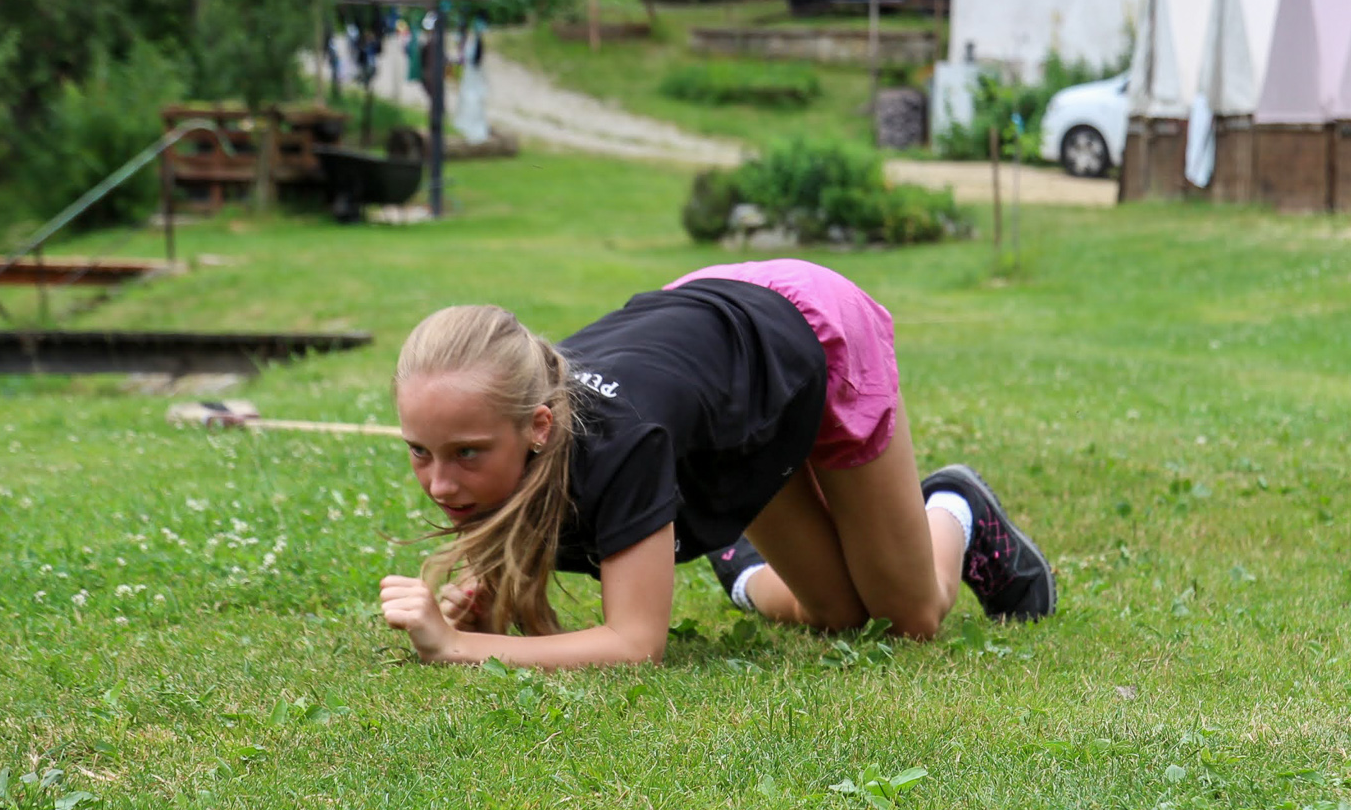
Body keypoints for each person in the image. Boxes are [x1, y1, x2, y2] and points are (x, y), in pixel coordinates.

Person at [377, 259, 1055, 667]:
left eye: (467, 453)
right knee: (841, 618)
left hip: (808, 330)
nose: (440, 483)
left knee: (910, 619)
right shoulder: (515, 418)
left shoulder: (621, 442)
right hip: (716, 375)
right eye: (419, 451)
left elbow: (635, 646)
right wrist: (484, 597)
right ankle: (743, 566)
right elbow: (531, 517)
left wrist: (457, 647)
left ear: (538, 427)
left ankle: (954, 506)